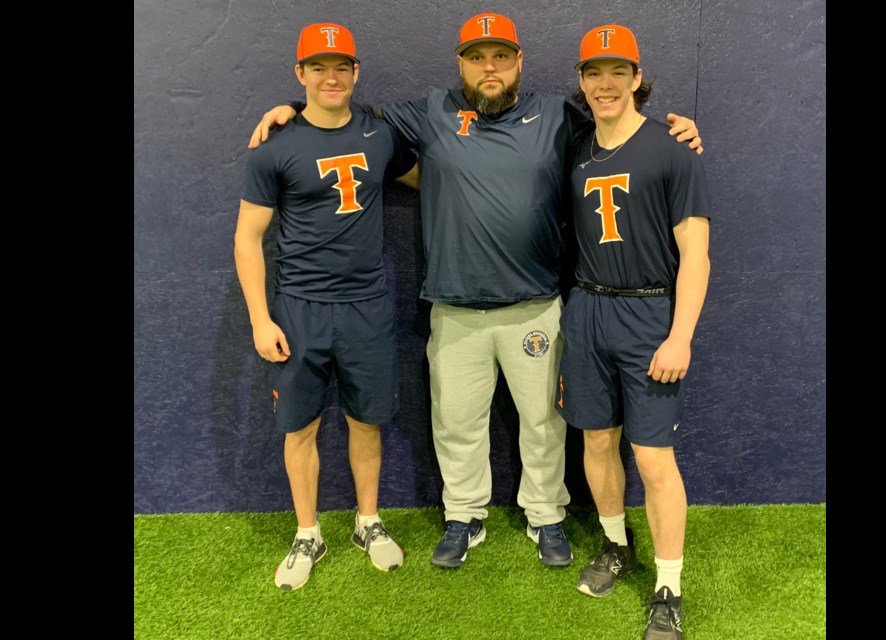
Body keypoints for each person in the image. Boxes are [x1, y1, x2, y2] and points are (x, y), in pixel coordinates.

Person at [247, 12, 703, 571]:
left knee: (543, 422)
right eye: (476, 57)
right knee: (457, 421)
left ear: (519, 62)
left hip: (534, 303)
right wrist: (290, 110)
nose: (490, 68)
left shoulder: (559, 115)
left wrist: (676, 130)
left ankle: (546, 516)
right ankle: (464, 515)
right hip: (455, 305)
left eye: (501, 56)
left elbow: (621, 129)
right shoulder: (431, 111)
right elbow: (343, 114)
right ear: (460, 63)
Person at [234, 22, 419, 591]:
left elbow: (435, 179)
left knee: (367, 421)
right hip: (299, 307)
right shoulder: (277, 145)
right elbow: (247, 238)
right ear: (301, 74)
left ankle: (367, 520)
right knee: (301, 428)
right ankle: (308, 531)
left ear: (356, 72)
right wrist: (261, 319)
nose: (331, 77)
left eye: (341, 66)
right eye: (318, 67)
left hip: (365, 304)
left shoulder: (380, 135)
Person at [555, 24, 710, 639]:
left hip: (651, 313)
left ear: (638, 78)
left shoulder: (672, 148)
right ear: (582, 81)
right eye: (594, 72)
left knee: (652, 455)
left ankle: (669, 586)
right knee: (596, 443)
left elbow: (695, 254)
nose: (606, 83)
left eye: (618, 72)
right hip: (588, 309)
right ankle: (617, 546)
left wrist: (681, 336)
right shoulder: (575, 146)